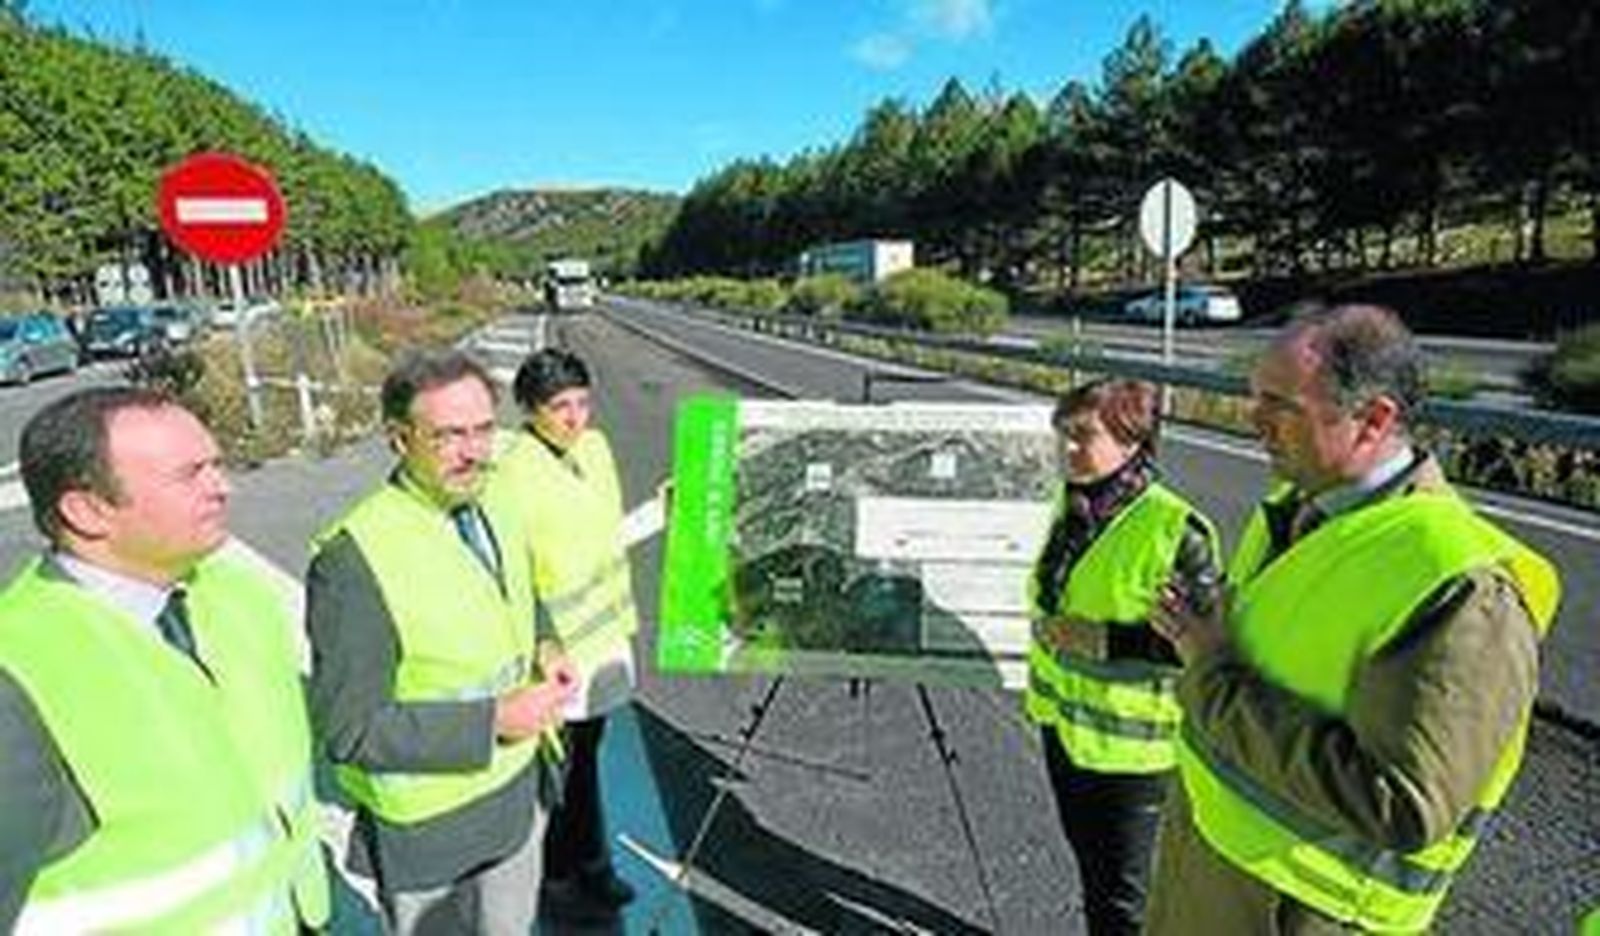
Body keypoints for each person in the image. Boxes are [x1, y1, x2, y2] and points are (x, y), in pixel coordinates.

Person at [1146, 304, 1561, 934]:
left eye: (1279, 405)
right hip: (1212, 868)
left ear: (1373, 420)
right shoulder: (1298, 507)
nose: (1252, 419)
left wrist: (1210, 670)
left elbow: (1404, 804)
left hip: (1300, 910)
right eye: (1254, 397)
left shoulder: (1465, 587)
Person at [0, 386, 329, 933]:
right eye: (189, 474)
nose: (221, 487)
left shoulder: (234, 590)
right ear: (87, 511)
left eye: (215, 465)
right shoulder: (17, 665)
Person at [307, 350, 574, 935]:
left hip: (521, 796)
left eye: (483, 430)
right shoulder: (353, 559)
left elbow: (516, 593)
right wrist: (495, 720)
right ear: (399, 439)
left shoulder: (493, 496)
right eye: (449, 436)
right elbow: (350, 729)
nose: (473, 451)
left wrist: (547, 643)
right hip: (434, 838)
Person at [1021, 378, 1220, 935]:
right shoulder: (1071, 507)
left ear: (1132, 440)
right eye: (1062, 435)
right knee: (1095, 874)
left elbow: (1207, 645)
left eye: (1083, 436)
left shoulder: (1175, 531)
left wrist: (1105, 640)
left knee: (1125, 900)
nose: (1067, 449)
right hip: (1065, 729)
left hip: (1136, 756)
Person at [484, 347, 639, 914]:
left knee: (585, 765)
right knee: (559, 772)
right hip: (556, 651)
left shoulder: (594, 449)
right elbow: (509, 568)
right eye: (559, 407)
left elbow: (605, 535)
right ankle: (556, 879)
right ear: (529, 409)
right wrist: (538, 643)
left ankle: (590, 866)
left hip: (605, 641)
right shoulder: (511, 473)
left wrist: (660, 513)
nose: (575, 418)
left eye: (582, 403)